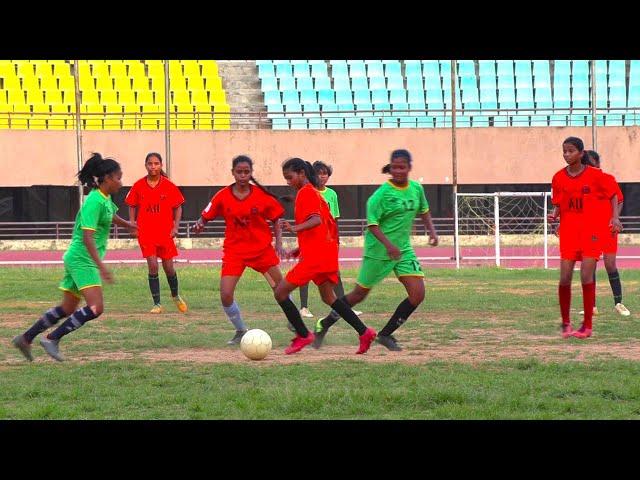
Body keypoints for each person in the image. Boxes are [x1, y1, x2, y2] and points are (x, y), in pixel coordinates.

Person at [12, 153, 137, 362]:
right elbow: (88, 237)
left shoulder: (104, 199)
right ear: (106, 178)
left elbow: (111, 216)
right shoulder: (94, 202)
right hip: (82, 258)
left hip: (78, 258)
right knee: (96, 308)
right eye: (118, 177)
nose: (121, 182)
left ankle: (25, 338)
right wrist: (101, 266)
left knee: (67, 308)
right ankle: (52, 338)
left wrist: (129, 225)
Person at [312, 149, 438, 351]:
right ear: (390, 168)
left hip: (403, 250)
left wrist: (432, 232)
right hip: (378, 250)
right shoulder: (380, 195)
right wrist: (388, 245)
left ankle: (385, 335)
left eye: (402, 167)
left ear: (409, 168)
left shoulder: (416, 189)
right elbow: (373, 224)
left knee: (418, 294)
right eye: (394, 167)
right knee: (358, 295)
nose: (397, 171)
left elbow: (424, 210)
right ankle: (323, 325)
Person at [273, 158, 377, 355]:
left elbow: (316, 220)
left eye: (289, 177)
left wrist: (293, 228)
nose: (288, 182)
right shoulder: (312, 193)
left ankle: (303, 335)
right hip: (324, 254)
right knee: (329, 297)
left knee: (280, 292)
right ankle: (365, 332)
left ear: (302, 174)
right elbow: (324, 227)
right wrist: (300, 248)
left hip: (317, 258)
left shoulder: (307, 193)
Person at [191, 155, 287, 345]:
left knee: (282, 289)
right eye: (239, 172)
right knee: (225, 294)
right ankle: (241, 329)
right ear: (232, 173)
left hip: (261, 250)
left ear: (251, 173)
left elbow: (277, 218)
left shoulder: (261, 195)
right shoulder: (222, 195)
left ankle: (295, 322)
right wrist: (199, 224)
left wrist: (278, 243)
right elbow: (205, 216)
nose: (243, 175)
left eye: (246, 172)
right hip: (235, 252)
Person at [549, 137, 622, 340]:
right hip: (569, 233)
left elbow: (614, 194)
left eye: (570, 151)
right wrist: (554, 216)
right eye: (564, 151)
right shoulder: (558, 178)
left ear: (581, 154)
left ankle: (587, 325)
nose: (566, 154)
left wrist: (614, 217)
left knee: (586, 276)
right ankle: (565, 323)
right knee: (565, 277)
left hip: (591, 233)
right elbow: (559, 202)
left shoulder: (596, 176)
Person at [298, 160, 363, 320]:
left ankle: (344, 307)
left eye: (325, 173)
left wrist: (337, 240)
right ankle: (303, 308)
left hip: (328, 241)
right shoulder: (308, 192)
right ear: (313, 175)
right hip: (312, 240)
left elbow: (335, 220)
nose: (322, 176)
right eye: (319, 173)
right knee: (304, 273)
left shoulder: (332, 194)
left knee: (335, 273)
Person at [125, 152, 188, 314]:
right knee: (152, 266)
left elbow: (178, 206)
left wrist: (175, 227)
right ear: (145, 165)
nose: (153, 166)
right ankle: (157, 304)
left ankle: (175, 296)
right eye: (150, 163)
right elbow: (131, 205)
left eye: (156, 163)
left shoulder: (168, 185)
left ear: (161, 165)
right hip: (146, 233)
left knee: (169, 268)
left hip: (165, 233)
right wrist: (133, 223)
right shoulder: (138, 185)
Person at [579, 150, 630, 317]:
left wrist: (614, 218)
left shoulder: (608, 179)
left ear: (598, 164)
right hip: (590, 229)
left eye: (594, 165)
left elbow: (619, 200)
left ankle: (619, 303)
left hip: (607, 229)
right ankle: (591, 306)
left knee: (610, 264)